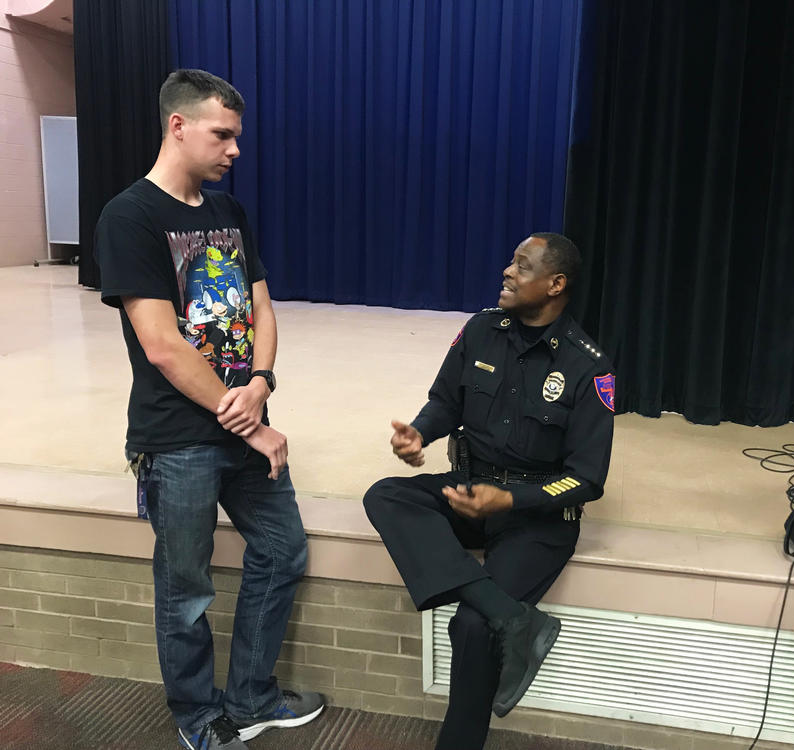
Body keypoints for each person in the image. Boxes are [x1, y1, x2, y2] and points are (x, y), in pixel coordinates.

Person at [95, 69, 324, 750]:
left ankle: (251, 697)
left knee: (283, 552)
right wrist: (252, 422)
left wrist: (261, 381)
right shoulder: (130, 217)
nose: (235, 150)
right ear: (179, 126)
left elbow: (260, 304)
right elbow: (163, 346)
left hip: (242, 425)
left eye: (237, 136)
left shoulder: (228, 212)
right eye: (223, 135)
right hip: (178, 442)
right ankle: (199, 718)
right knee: (186, 591)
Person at [363, 232, 616, 750]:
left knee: (472, 630)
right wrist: (419, 432)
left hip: (537, 517)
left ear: (555, 284)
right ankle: (514, 619)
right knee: (386, 495)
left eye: (522, 266)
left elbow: (587, 478)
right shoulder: (481, 329)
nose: (507, 271)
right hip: (471, 489)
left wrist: (513, 500)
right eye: (511, 262)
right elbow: (444, 402)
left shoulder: (588, 365)